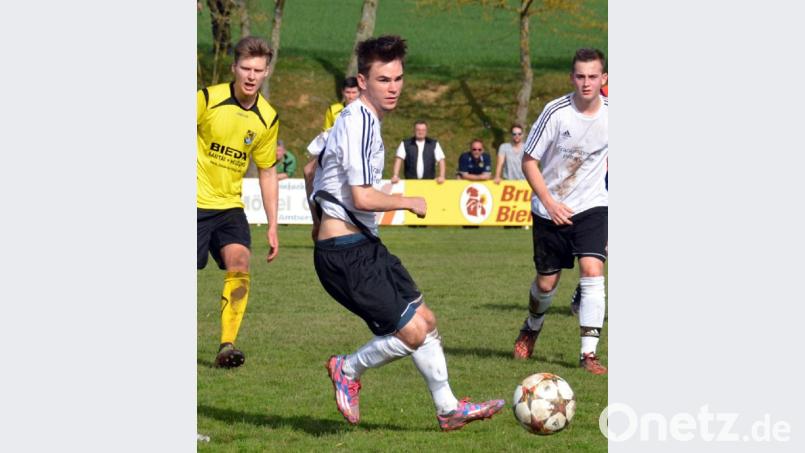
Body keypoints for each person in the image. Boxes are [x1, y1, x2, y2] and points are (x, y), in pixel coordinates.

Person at [309, 35, 504, 431]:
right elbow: (362, 197)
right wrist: (407, 201)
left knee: (426, 321)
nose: (393, 87)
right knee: (412, 331)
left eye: (397, 78)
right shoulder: (360, 122)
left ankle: (449, 409)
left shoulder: (353, 119)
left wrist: (318, 216)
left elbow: (312, 166)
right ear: (363, 81)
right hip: (347, 254)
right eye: (383, 79)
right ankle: (347, 369)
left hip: (361, 245)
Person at [513, 48, 608, 376]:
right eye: (580, 76)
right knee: (546, 284)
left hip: (592, 205)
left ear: (603, 79)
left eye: (593, 76)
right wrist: (550, 203)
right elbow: (528, 161)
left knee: (593, 271)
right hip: (549, 209)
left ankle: (588, 354)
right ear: (572, 78)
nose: (586, 83)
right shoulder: (556, 112)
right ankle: (531, 325)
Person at [197, 36, 280, 369]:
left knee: (241, 261)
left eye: (258, 70)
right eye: (245, 68)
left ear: (266, 72)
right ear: (234, 68)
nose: (250, 76)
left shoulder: (267, 118)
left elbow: (267, 172)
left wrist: (273, 225)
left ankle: (226, 345)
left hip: (229, 207)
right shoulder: (207, 99)